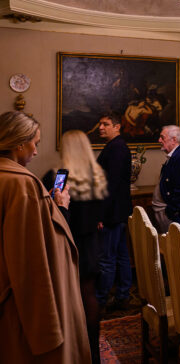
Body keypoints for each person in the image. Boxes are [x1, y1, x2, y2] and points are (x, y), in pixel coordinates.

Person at [0, 111, 91, 363]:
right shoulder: (21, 183)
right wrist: (60, 207)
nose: (36, 151)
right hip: (25, 308)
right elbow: (31, 258)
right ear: (19, 143)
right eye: (35, 143)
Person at [43, 130, 107, 364]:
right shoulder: (95, 174)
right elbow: (102, 209)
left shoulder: (60, 176)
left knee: (68, 298)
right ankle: (94, 353)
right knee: (90, 295)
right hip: (91, 244)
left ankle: (74, 351)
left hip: (70, 242)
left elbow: (52, 209)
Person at [96, 111, 132, 311]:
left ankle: (100, 301)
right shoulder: (114, 146)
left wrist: (101, 214)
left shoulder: (117, 148)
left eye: (105, 124)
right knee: (120, 255)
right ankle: (123, 295)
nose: (101, 127)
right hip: (117, 211)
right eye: (100, 124)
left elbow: (112, 184)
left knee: (107, 258)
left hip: (112, 213)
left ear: (117, 127)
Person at [153, 125, 180, 232]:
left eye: (162, 137)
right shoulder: (175, 155)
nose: (159, 140)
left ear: (174, 140)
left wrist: (171, 210)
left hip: (176, 216)